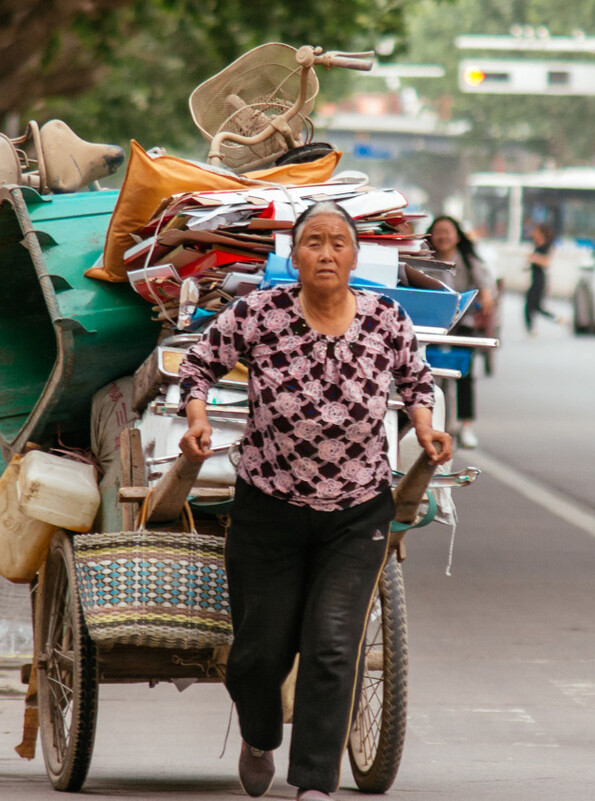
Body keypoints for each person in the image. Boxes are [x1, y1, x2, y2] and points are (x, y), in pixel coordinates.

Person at [178, 201, 453, 801]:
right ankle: (258, 737)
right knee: (258, 653)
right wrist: (197, 418)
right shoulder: (259, 311)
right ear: (294, 257)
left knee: (332, 645)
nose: (326, 253)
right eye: (313, 243)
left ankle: (314, 784)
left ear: (355, 258)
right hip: (268, 507)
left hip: (357, 511)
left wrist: (426, 427)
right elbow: (197, 363)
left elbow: (416, 380)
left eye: (338, 243)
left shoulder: (385, 317)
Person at [427, 215, 496, 449]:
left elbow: (485, 287)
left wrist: (486, 298)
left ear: (457, 236)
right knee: (428, 376)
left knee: (465, 375)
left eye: (448, 232)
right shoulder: (424, 260)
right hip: (433, 327)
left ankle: (466, 426)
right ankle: (432, 425)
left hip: (463, 325)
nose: (443, 237)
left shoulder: (468, 262)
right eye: (438, 232)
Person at [524, 222, 560, 336]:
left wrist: (534, 258)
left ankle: (555, 318)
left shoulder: (545, 247)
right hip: (534, 278)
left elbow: (547, 262)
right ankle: (532, 327)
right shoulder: (536, 245)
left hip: (540, 280)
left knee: (534, 305)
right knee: (533, 306)